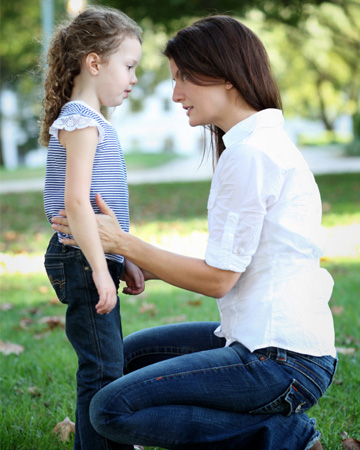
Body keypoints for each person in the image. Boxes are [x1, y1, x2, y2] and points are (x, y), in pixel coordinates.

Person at [51, 15, 337, 450]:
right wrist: (138, 264)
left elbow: (219, 279)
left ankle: (284, 436)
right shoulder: (249, 145)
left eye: (183, 78)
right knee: (122, 359)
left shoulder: (252, 155)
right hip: (259, 341)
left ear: (224, 76)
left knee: (110, 408)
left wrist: (121, 242)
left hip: (282, 362)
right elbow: (236, 263)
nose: (175, 93)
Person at [39, 7, 145, 449]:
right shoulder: (81, 120)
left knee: (108, 364)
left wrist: (124, 262)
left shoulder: (90, 120)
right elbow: (77, 201)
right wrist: (102, 269)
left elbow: (100, 210)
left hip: (93, 255)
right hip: (82, 258)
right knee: (102, 371)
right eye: (129, 66)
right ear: (95, 62)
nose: (134, 78)